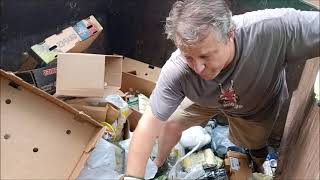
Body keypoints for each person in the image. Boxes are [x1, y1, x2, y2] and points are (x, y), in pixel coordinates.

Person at [125, 0, 320, 178]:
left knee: (254, 144)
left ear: (230, 34)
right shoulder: (177, 70)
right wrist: (134, 177)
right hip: (203, 99)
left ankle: (258, 163)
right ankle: (159, 165)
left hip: (255, 104)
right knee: (170, 124)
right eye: (189, 57)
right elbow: (147, 126)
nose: (198, 68)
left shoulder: (273, 29)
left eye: (205, 56)